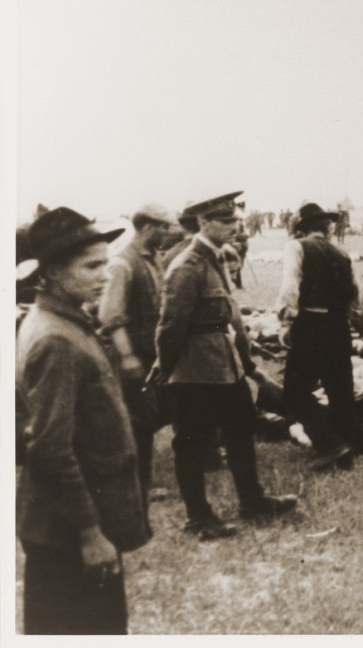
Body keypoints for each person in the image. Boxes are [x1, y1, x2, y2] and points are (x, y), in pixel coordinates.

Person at [17, 207, 151, 634]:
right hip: (68, 532)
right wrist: (90, 534)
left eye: (106, 263)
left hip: (68, 523)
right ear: (53, 272)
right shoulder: (56, 338)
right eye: (92, 266)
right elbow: (50, 451)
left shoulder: (63, 319)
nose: (105, 275)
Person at [156, 192, 297, 540]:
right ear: (204, 223)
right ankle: (198, 517)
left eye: (235, 220)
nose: (234, 226)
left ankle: (252, 501)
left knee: (241, 431)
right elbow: (170, 326)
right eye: (226, 220)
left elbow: (230, 317)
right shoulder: (187, 266)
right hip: (195, 370)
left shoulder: (216, 259)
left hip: (225, 363)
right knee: (191, 443)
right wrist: (168, 370)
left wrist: (245, 363)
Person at [276, 202, 363, 470]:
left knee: (294, 392)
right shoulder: (342, 254)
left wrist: (286, 322)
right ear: (327, 227)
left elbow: (291, 286)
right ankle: (349, 442)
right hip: (338, 328)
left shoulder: (296, 247)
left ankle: (329, 443)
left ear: (302, 229)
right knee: (340, 391)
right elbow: (357, 301)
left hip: (310, 326)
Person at [97, 203, 177, 514]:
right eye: (163, 226)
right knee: (138, 424)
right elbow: (110, 316)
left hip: (152, 355)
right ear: (146, 228)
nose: (169, 231)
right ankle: (136, 485)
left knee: (151, 418)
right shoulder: (123, 264)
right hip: (131, 358)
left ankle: (136, 481)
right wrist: (128, 358)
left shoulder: (153, 258)